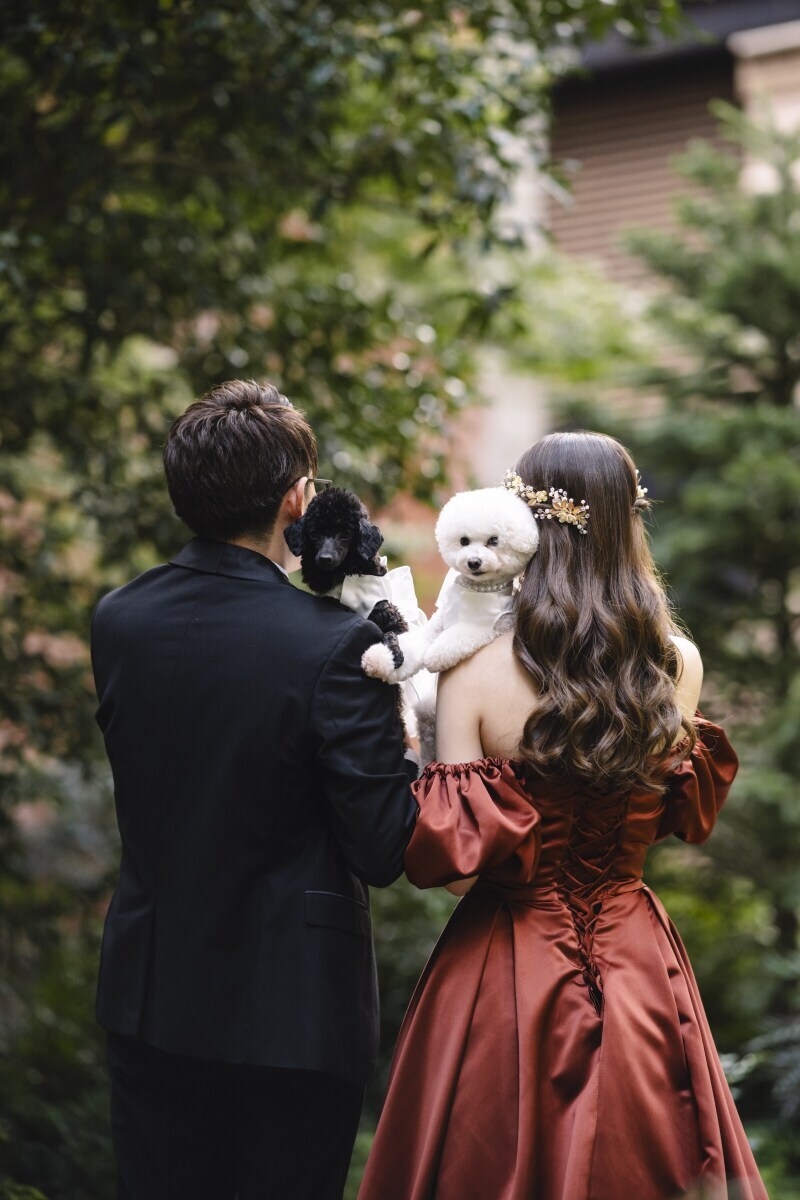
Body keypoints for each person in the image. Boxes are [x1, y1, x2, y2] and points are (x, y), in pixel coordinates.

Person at [359, 431, 767, 1200]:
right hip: (637, 960)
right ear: (629, 524)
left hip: (503, 969)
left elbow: (459, 876)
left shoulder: (471, 671)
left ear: (523, 527)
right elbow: (661, 819)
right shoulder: (674, 664)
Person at [91, 380, 418, 1200]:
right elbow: (384, 847)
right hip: (292, 1016)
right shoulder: (337, 645)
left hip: (148, 998)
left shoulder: (119, 619)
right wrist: (406, 735)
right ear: (296, 500)